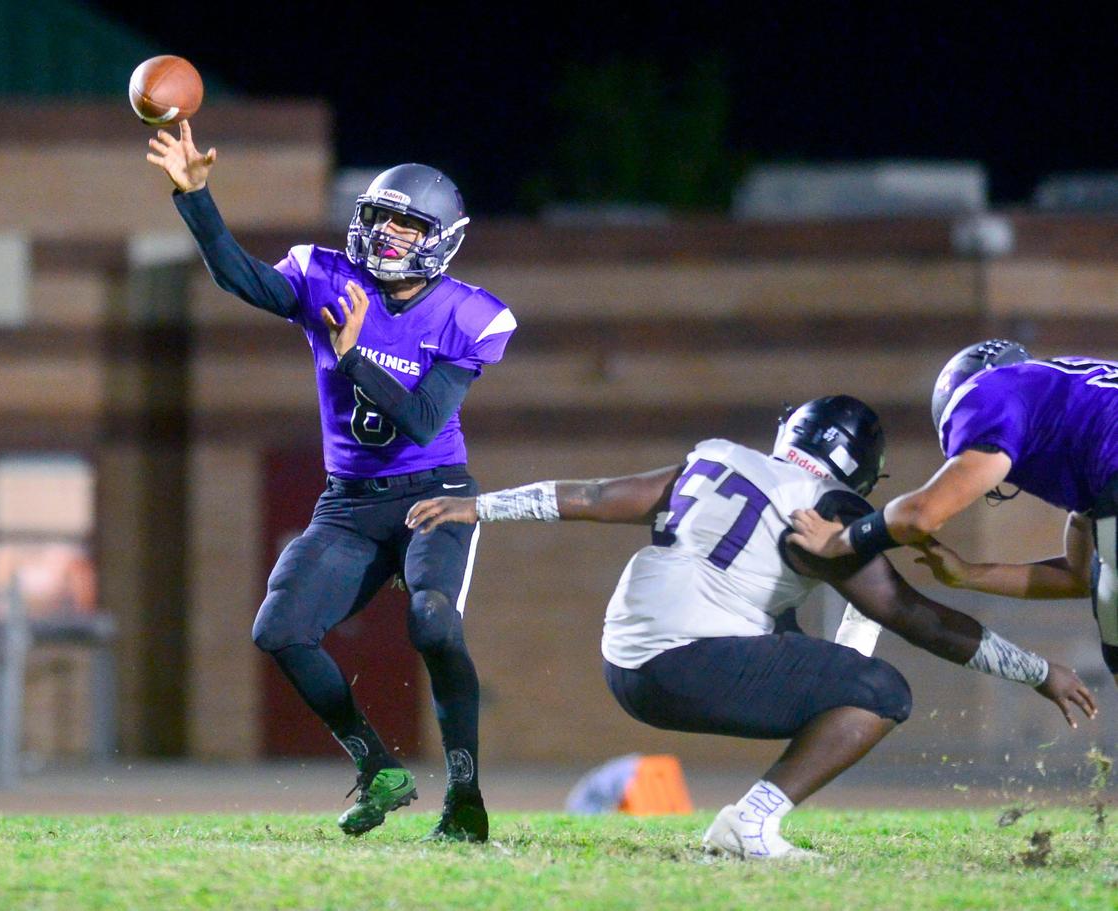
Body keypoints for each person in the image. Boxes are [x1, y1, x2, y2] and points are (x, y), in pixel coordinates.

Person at [403, 395, 1097, 860]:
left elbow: (594, 496)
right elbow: (913, 616)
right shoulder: (825, 505)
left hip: (626, 660)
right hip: (685, 659)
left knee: (803, 622)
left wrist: (482, 506)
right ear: (858, 465)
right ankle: (751, 821)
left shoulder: (716, 457)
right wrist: (1040, 670)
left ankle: (757, 812)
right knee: (882, 689)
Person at [146, 121, 517, 842]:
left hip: (433, 493)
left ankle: (466, 796)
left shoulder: (465, 313)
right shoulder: (329, 277)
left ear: (440, 239)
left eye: (407, 227)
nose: (386, 236)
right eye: (379, 219)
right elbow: (239, 276)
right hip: (348, 502)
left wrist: (351, 358)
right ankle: (378, 766)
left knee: (433, 620)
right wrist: (194, 197)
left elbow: (419, 419)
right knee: (279, 628)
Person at [787, 340, 1118, 687]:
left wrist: (842, 540)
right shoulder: (1077, 407)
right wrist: (967, 574)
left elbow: (922, 515)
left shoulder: (985, 393)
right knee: (1105, 591)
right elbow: (1077, 578)